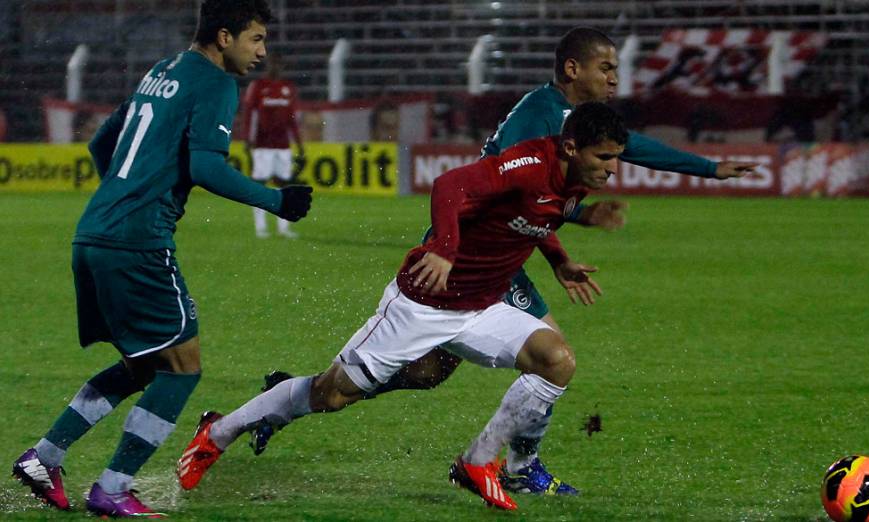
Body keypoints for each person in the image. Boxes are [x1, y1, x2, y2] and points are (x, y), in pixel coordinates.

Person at [254, 26, 758, 496]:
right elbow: (513, 202)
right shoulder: (537, 114)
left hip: (503, 251)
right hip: (474, 252)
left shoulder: (571, 122)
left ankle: (303, 394)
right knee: (551, 356)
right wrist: (567, 242)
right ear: (571, 71)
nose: (613, 76)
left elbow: (632, 149)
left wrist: (707, 168)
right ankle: (517, 466)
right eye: (604, 66)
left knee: (431, 372)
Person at [176, 102, 628, 511]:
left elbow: (534, 216)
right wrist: (446, 248)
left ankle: (477, 461)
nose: (612, 169)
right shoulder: (530, 163)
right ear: (571, 147)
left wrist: (561, 261)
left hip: (482, 307)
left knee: (556, 361)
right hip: (423, 303)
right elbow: (450, 184)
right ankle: (217, 433)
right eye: (604, 157)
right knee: (331, 394)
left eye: (615, 158)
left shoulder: (576, 180)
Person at [10, 1, 312, 517]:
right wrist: (277, 201)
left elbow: (103, 142)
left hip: (94, 232)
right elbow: (206, 168)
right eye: (255, 39)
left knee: (142, 364)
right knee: (181, 368)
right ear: (224, 37)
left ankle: (45, 457)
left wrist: (127, 194)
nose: (262, 52)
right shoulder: (216, 84)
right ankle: (112, 487)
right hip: (136, 242)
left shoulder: (162, 70)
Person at [243, 53, 306, 239]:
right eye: (272, 65)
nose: (275, 69)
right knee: (261, 186)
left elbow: (292, 120)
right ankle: (261, 228)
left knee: (284, 186)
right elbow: (249, 115)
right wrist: (248, 138)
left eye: (279, 66)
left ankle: (283, 228)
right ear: (267, 66)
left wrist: (299, 143)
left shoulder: (288, 88)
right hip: (263, 145)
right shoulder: (258, 87)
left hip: (283, 146)